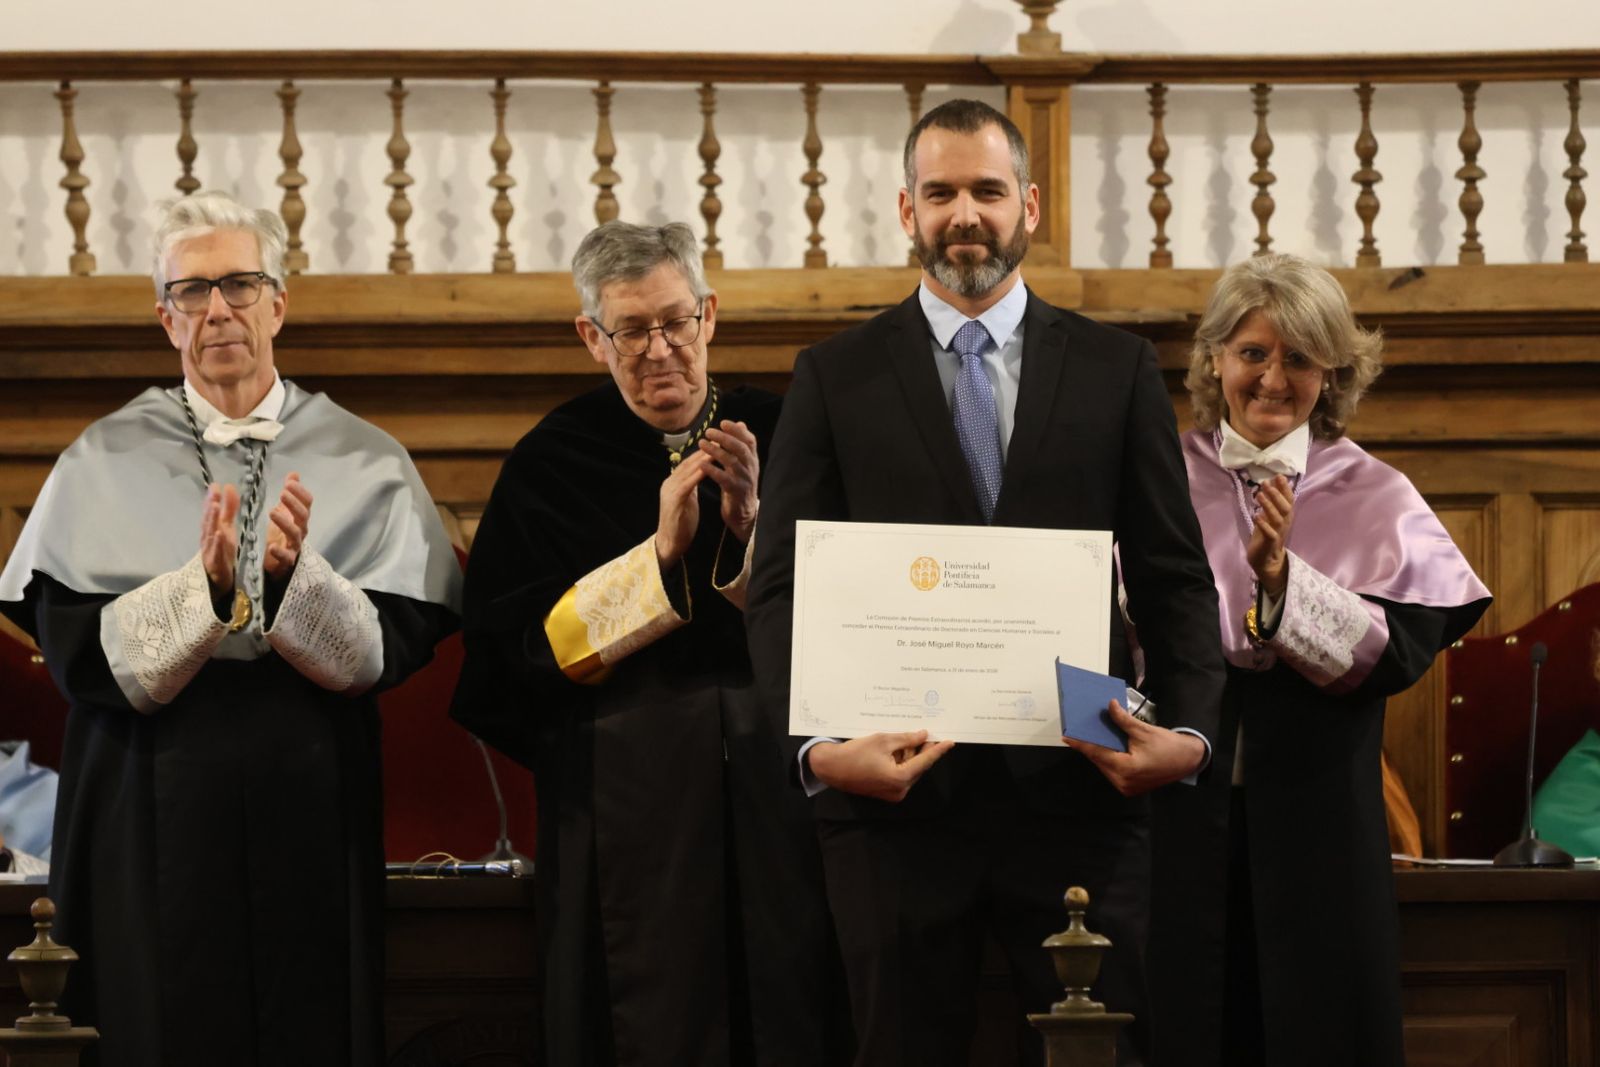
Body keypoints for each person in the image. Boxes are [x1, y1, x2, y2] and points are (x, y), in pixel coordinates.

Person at [744, 98, 1226, 1067]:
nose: (964, 213)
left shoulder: (1117, 369)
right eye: (940, 193)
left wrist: (1188, 733)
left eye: (987, 191)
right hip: (893, 806)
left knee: (1101, 1057)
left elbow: (1173, 575)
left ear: (1028, 206)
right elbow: (781, 587)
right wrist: (818, 750)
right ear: (907, 209)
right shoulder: (834, 376)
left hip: (1081, 796)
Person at [0, 191, 462, 1066]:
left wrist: (295, 585)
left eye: (240, 284)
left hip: (309, 790)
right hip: (147, 793)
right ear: (165, 317)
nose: (218, 309)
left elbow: (394, 645)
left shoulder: (365, 457)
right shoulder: (100, 460)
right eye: (192, 290)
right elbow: (74, 653)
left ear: (278, 303)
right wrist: (202, 593)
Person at [450, 221, 841, 1067]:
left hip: (781, 798)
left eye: (676, 322)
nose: (660, 350)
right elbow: (508, 659)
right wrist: (658, 559)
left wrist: (752, 531)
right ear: (592, 336)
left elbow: (851, 619)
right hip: (626, 804)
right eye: (631, 330)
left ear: (710, 314)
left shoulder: (790, 433)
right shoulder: (551, 463)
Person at [1147, 254, 1492, 1067]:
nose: (1273, 378)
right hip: (1177, 830)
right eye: (1252, 352)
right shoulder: (1159, 477)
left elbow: (1399, 653)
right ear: (1215, 360)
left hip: (1321, 832)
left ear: (1332, 372)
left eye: (1299, 357)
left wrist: (1282, 584)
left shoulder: (1375, 494)